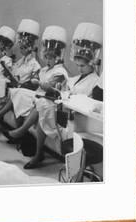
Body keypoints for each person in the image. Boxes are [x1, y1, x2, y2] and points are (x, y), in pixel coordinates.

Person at [23, 22, 103, 169]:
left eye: (82, 66)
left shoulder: (95, 82)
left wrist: (64, 95)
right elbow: (66, 92)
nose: (79, 69)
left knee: (43, 107)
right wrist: (60, 90)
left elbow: (87, 102)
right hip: (65, 110)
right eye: (77, 66)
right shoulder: (75, 78)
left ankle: (37, 153)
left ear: (92, 64)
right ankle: (37, 152)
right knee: (43, 107)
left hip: (79, 118)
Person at [0, 26, 69, 142]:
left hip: (50, 100)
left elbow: (50, 88)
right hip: (38, 95)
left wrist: (38, 82)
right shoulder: (45, 69)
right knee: (17, 93)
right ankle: (15, 130)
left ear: (57, 58)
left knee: (26, 97)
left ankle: (18, 131)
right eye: (46, 58)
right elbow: (35, 81)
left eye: (50, 58)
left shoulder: (60, 72)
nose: (47, 61)